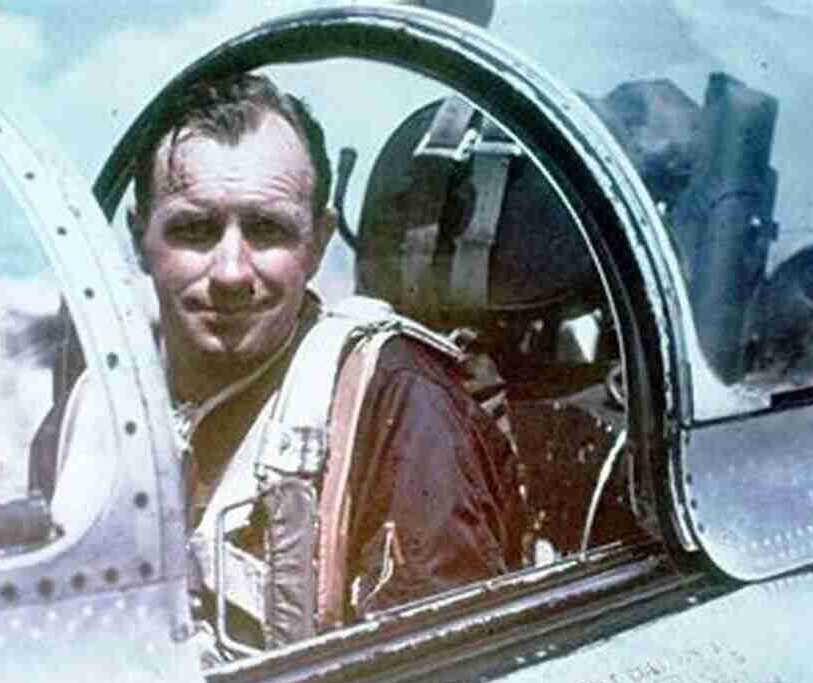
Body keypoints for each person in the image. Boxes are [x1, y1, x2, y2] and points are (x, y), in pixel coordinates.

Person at [123, 73, 524, 648]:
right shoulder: (99, 406)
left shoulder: (398, 405)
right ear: (140, 238)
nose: (232, 271)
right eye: (194, 229)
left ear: (318, 243)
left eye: (267, 231)